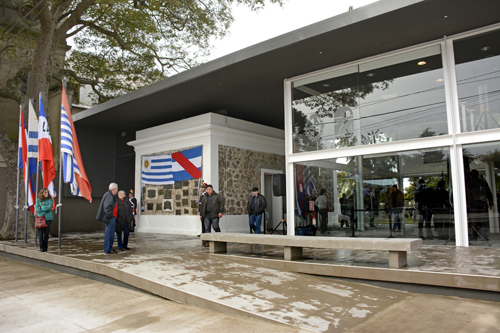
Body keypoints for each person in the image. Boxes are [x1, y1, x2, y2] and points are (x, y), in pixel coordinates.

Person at [466, 170, 493, 241]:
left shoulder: (469, 183)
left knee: (474, 220)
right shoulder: (483, 183)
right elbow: (489, 193)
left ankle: (474, 236)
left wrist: (467, 204)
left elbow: (467, 195)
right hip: (482, 204)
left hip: (473, 204)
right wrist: (491, 203)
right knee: (483, 220)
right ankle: (484, 236)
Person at [96, 183, 119, 254]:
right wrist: (110, 216)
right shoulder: (109, 196)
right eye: (117, 189)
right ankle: (108, 249)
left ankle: (109, 248)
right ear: (114, 189)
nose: (117, 190)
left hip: (111, 217)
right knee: (109, 234)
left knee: (110, 233)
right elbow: (107, 207)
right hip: (110, 218)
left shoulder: (109, 195)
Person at [34, 188, 54, 252]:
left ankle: (45, 247)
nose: (47, 194)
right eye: (45, 192)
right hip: (40, 218)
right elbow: (37, 209)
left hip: (48, 218)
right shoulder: (38, 200)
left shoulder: (50, 200)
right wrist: (43, 209)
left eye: (47, 192)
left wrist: (42, 207)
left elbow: (49, 207)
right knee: (40, 234)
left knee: (46, 234)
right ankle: (41, 247)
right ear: (42, 193)